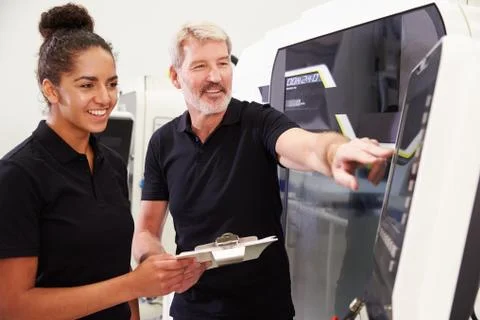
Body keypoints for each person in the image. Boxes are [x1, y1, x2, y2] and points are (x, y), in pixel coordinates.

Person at [132, 22, 393, 320]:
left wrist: (333, 152)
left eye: (223, 63)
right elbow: (145, 231)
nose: (216, 77)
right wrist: (155, 262)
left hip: (264, 309)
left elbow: (304, 146)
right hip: (193, 309)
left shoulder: (258, 122)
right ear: (175, 76)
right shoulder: (163, 142)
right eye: (200, 66)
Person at [0, 4, 199, 320]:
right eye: (87, 85)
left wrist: (134, 292)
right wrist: (132, 284)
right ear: (51, 89)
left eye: (111, 83)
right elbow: (13, 306)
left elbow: (116, 265)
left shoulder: (112, 164)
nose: (105, 98)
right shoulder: (18, 175)